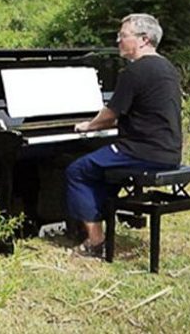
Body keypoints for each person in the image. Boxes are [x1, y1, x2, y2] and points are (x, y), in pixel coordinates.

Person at [66, 13, 182, 257]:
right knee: (104, 173)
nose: (118, 40)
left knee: (76, 171)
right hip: (169, 151)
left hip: (141, 151)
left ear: (143, 39)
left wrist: (87, 126)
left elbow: (109, 116)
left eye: (123, 35)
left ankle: (95, 241)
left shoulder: (135, 71)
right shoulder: (167, 67)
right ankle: (93, 222)